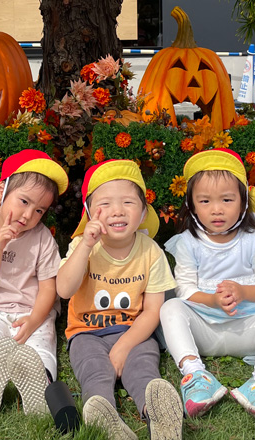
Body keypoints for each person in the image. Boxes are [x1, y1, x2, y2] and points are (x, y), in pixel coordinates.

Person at [159, 149, 255, 430]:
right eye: (205, 201)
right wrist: (212, 300)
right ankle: (195, 375)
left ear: (243, 202)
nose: (216, 209)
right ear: (192, 205)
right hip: (204, 329)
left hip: (246, 327)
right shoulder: (187, 243)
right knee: (170, 307)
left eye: (227, 200)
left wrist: (244, 292)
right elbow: (183, 289)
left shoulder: (254, 241)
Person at [56, 159, 182, 440]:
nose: (118, 211)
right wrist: (86, 246)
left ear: (142, 213)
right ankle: (105, 417)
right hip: (86, 334)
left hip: (134, 332)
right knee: (95, 372)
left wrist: (124, 346)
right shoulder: (82, 247)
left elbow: (152, 311)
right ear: (89, 212)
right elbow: (64, 290)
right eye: (106, 204)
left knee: (143, 370)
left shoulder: (150, 252)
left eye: (128, 202)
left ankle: (159, 415)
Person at [0, 150, 68, 415]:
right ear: (2, 190)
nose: (28, 215)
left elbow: (49, 288)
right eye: (23, 201)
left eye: (39, 210)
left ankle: (41, 386)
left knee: (42, 346)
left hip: (33, 310)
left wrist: (35, 320)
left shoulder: (42, 238)